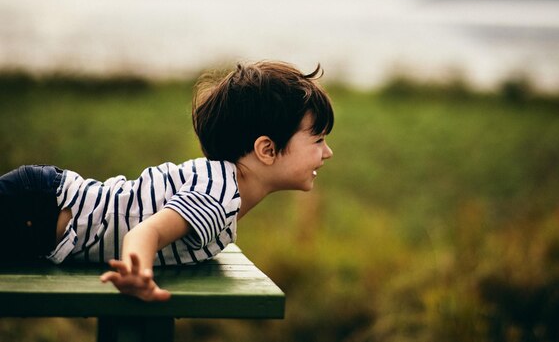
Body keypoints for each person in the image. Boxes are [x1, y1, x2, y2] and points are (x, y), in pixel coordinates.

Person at [0, 61, 334, 301]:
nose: (327, 152)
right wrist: (138, 271)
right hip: (36, 209)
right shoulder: (220, 195)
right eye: (317, 140)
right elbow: (146, 231)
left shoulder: (223, 188)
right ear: (267, 149)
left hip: (42, 213)